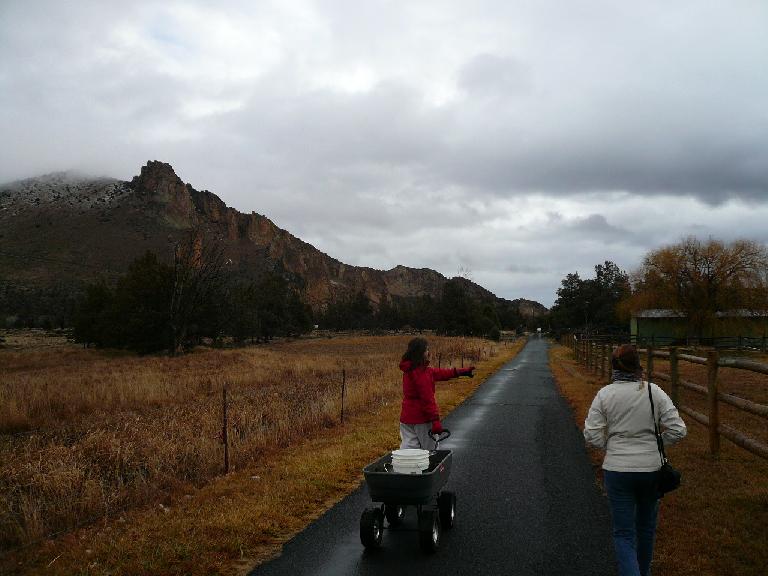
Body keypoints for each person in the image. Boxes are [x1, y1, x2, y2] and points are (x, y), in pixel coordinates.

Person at [584, 344, 687, 576]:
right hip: (651, 470)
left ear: (613, 367)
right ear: (638, 366)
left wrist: (611, 446)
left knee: (623, 533)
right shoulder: (654, 392)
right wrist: (656, 443)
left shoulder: (605, 395)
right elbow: (678, 430)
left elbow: (591, 435)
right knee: (646, 529)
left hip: (618, 471)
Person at [399, 337, 474, 450]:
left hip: (406, 418)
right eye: (427, 350)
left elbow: (440, 373)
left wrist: (461, 372)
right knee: (431, 450)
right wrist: (435, 421)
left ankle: (406, 467)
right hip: (422, 419)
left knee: (409, 449)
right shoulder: (422, 373)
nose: (428, 352)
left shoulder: (410, 369)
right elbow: (427, 399)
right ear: (420, 352)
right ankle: (429, 467)